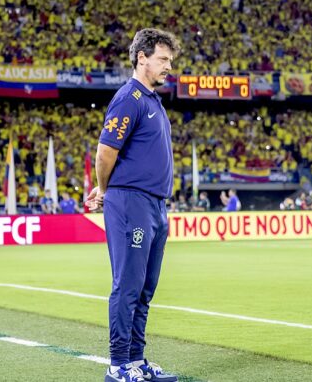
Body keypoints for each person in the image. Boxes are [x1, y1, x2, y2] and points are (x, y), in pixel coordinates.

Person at [85, 28, 180, 382]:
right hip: (131, 201)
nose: (168, 66)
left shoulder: (153, 101)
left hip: (155, 205)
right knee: (127, 285)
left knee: (145, 287)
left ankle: (136, 360)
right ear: (142, 57)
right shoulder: (130, 98)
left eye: (170, 60)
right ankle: (118, 364)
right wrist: (103, 189)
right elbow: (105, 151)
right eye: (163, 59)